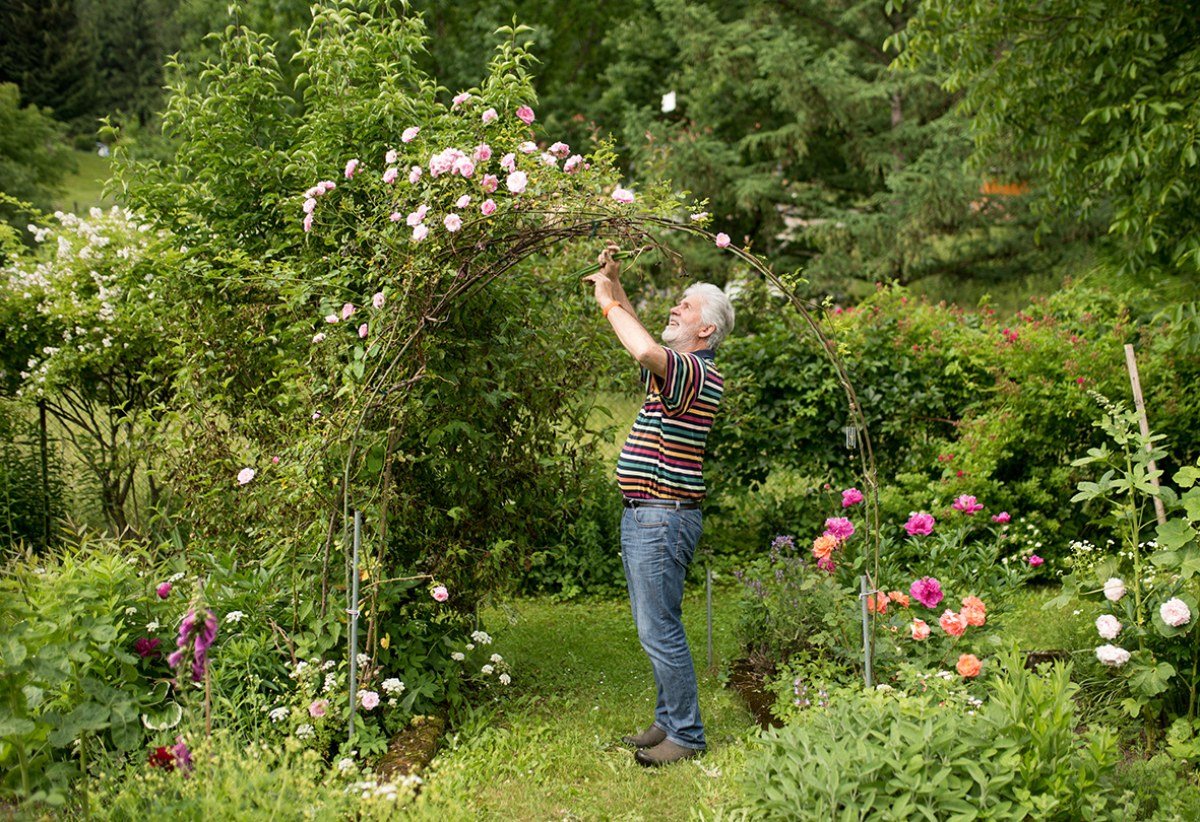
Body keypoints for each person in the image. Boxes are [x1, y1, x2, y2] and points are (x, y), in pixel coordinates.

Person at [582, 243, 735, 767]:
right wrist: (615, 281)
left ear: (706, 330)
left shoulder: (696, 371)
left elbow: (644, 349)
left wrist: (607, 302)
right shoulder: (683, 368)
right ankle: (669, 721)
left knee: (659, 628)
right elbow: (645, 336)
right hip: (648, 513)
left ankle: (687, 736)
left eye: (686, 306)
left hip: (662, 516)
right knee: (656, 623)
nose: (675, 307)